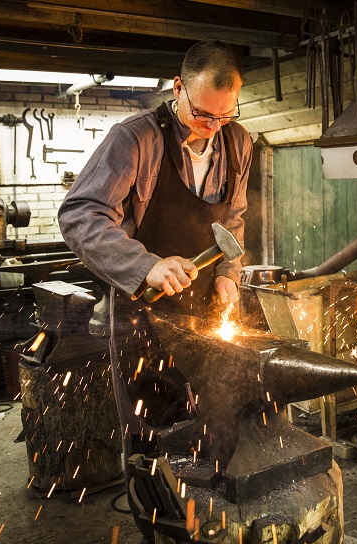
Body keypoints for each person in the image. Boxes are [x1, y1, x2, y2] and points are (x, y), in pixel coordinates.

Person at [58, 40, 252, 543]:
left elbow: (233, 219)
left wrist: (229, 274)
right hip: (142, 312)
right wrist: (145, 265)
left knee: (216, 414)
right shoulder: (134, 140)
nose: (213, 126)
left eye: (225, 116)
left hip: (206, 307)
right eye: (204, 114)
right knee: (152, 432)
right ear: (178, 88)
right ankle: (159, 526)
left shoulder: (239, 142)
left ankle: (209, 521)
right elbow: (80, 215)